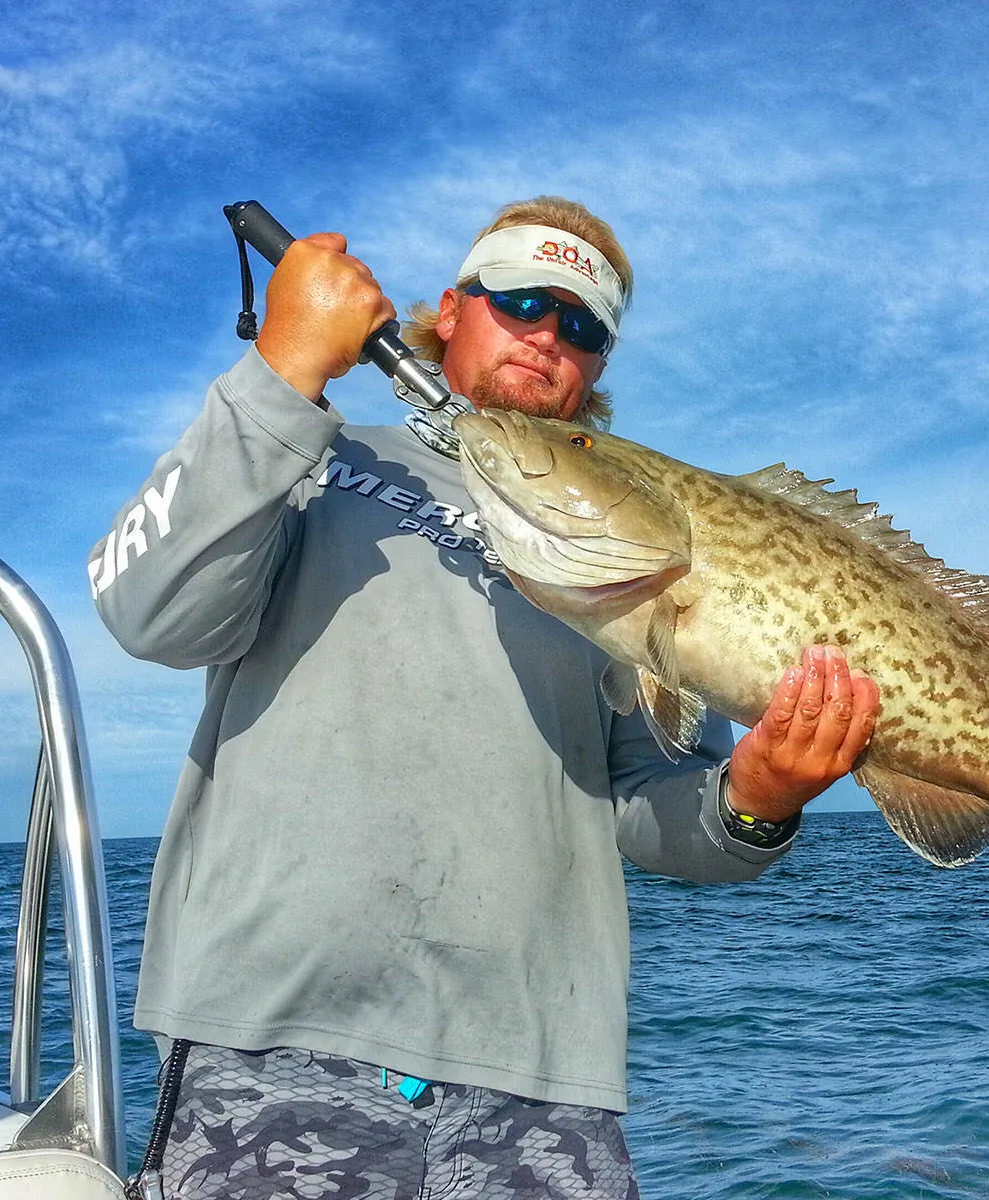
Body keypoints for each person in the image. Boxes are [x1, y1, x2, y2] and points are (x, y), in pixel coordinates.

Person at [91, 196, 879, 1200]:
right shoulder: (309, 456)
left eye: (582, 327)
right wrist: (281, 369)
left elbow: (652, 806)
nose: (548, 336)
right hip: (273, 1043)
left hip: (542, 1078)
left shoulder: (637, 547)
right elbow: (152, 613)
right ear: (454, 310)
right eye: (521, 302)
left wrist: (758, 801)